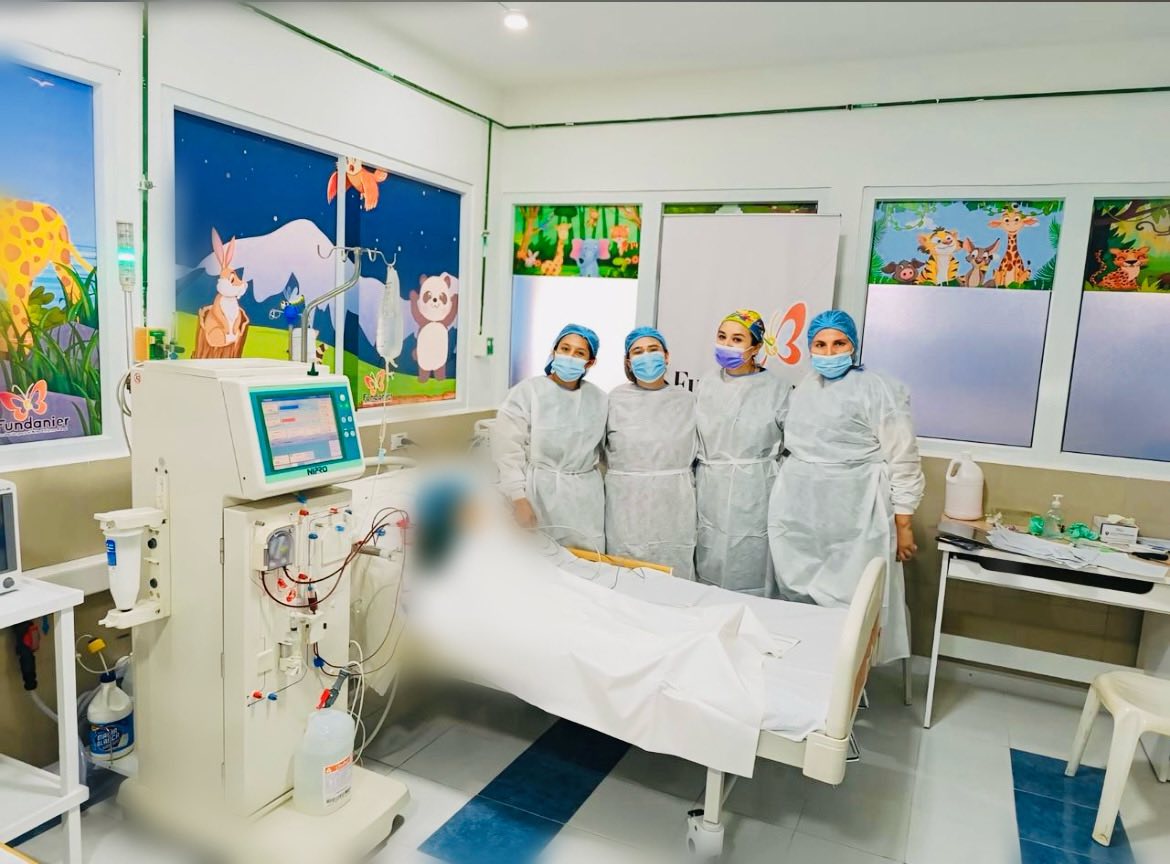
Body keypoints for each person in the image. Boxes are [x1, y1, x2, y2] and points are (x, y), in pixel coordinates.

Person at [767, 309, 925, 666]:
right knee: (799, 595)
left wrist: (904, 524)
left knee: (854, 599)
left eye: (839, 343)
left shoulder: (877, 389)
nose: (829, 352)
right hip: (802, 510)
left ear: (853, 346)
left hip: (857, 512)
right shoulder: (806, 387)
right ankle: (807, 669)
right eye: (820, 345)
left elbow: (903, 457)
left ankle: (849, 677)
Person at [694, 310, 791, 595]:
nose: (727, 344)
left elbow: (794, 443)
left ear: (756, 347)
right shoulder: (707, 383)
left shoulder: (777, 389)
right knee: (710, 560)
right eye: (722, 336)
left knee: (752, 560)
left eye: (737, 339)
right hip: (710, 487)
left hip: (756, 490)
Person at [492, 323, 607, 553]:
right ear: (554, 351)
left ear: (590, 362)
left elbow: (606, 450)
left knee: (588, 562)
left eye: (580, 353)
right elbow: (507, 449)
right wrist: (518, 498)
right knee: (541, 559)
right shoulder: (528, 392)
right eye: (565, 349)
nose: (570, 356)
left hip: (585, 499)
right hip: (538, 494)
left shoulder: (599, 399)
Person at [604, 326, 698, 579]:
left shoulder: (687, 400)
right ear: (628, 361)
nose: (646, 356)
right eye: (638, 351)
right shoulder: (614, 399)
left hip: (674, 504)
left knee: (674, 572)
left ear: (666, 356)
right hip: (625, 504)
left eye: (653, 349)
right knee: (626, 574)